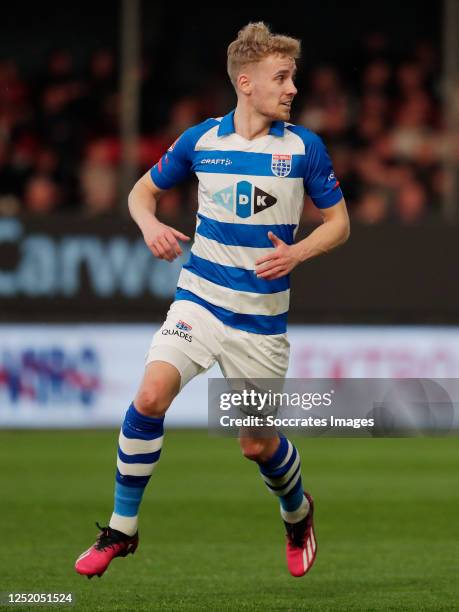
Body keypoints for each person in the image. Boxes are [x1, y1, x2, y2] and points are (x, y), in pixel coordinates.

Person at [75, 21, 350, 580]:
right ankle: (121, 529)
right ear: (245, 82)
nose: (292, 87)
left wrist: (297, 254)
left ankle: (297, 513)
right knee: (151, 396)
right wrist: (149, 222)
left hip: (260, 323)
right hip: (198, 302)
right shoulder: (202, 140)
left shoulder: (303, 148)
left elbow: (340, 224)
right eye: (281, 77)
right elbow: (140, 192)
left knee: (256, 444)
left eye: (292, 76)